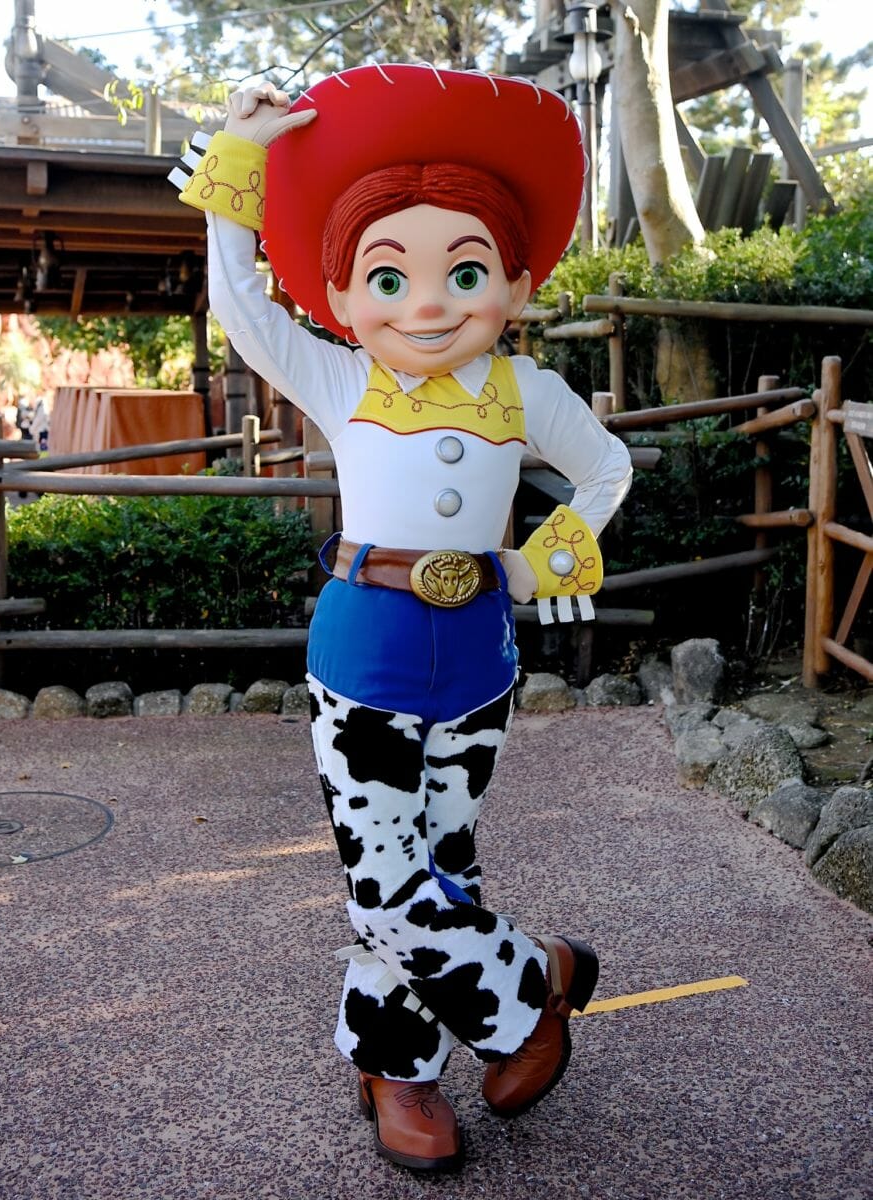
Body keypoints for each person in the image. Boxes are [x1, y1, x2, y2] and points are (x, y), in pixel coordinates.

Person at [172, 64, 632, 1172]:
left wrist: (537, 564)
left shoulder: (527, 393)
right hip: (362, 656)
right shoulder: (340, 381)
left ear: (516, 283)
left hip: (479, 656)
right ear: (342, 296)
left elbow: (607, 470)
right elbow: (241, 308)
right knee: (383, 882)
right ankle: (531, 990)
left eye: (464, 272)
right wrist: (241, 158)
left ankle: (396, 1065)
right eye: (390, 277)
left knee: (443, 861)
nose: (428, 304)